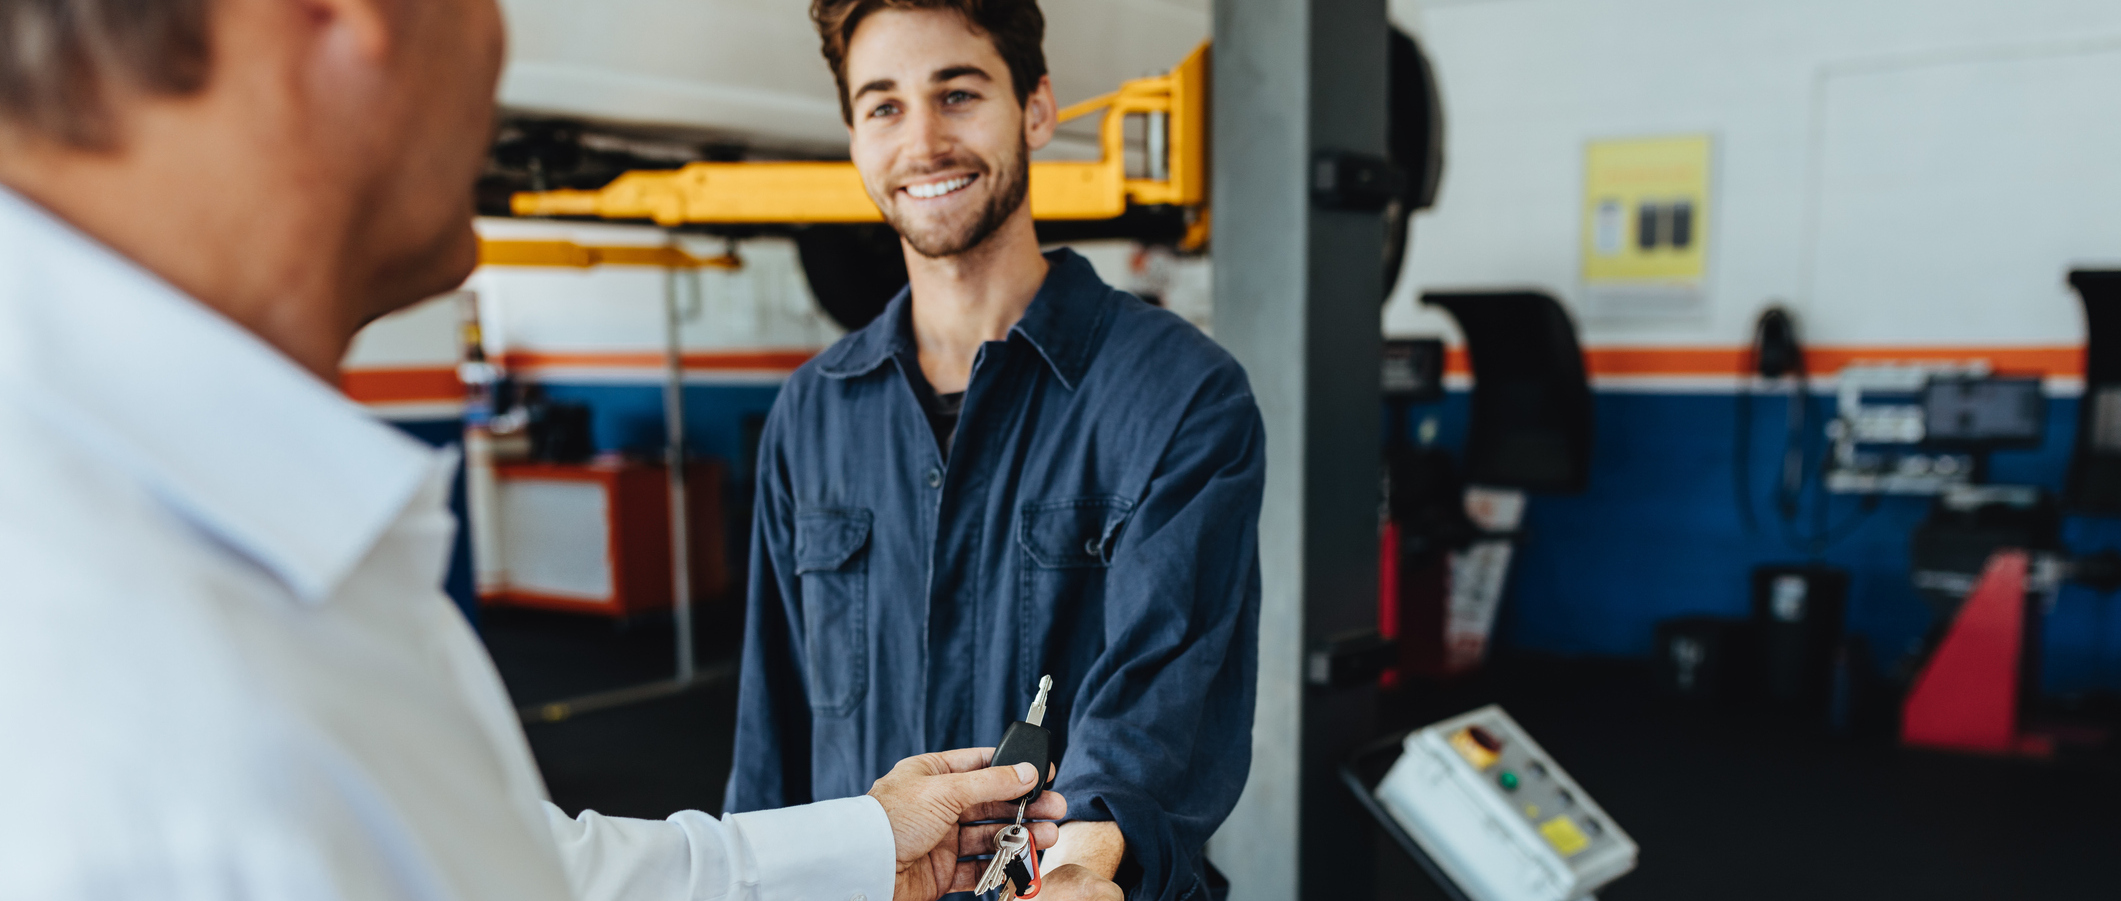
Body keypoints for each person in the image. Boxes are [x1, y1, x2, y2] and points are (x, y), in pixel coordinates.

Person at [0, 0, 1065, 898]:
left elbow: (525, 873)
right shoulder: (126, 672)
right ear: (341, 16)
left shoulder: (189, 538)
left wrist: (864, 842)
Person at [725, 3, 1266, 900]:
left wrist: (1082, 865)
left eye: (958, 93)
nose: (924, 140)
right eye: (884, 106)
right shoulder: (812, 411)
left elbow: (1161, 694)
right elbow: (770, 731)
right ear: (855, 138)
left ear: (1037, 109)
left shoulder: (1180, 393)